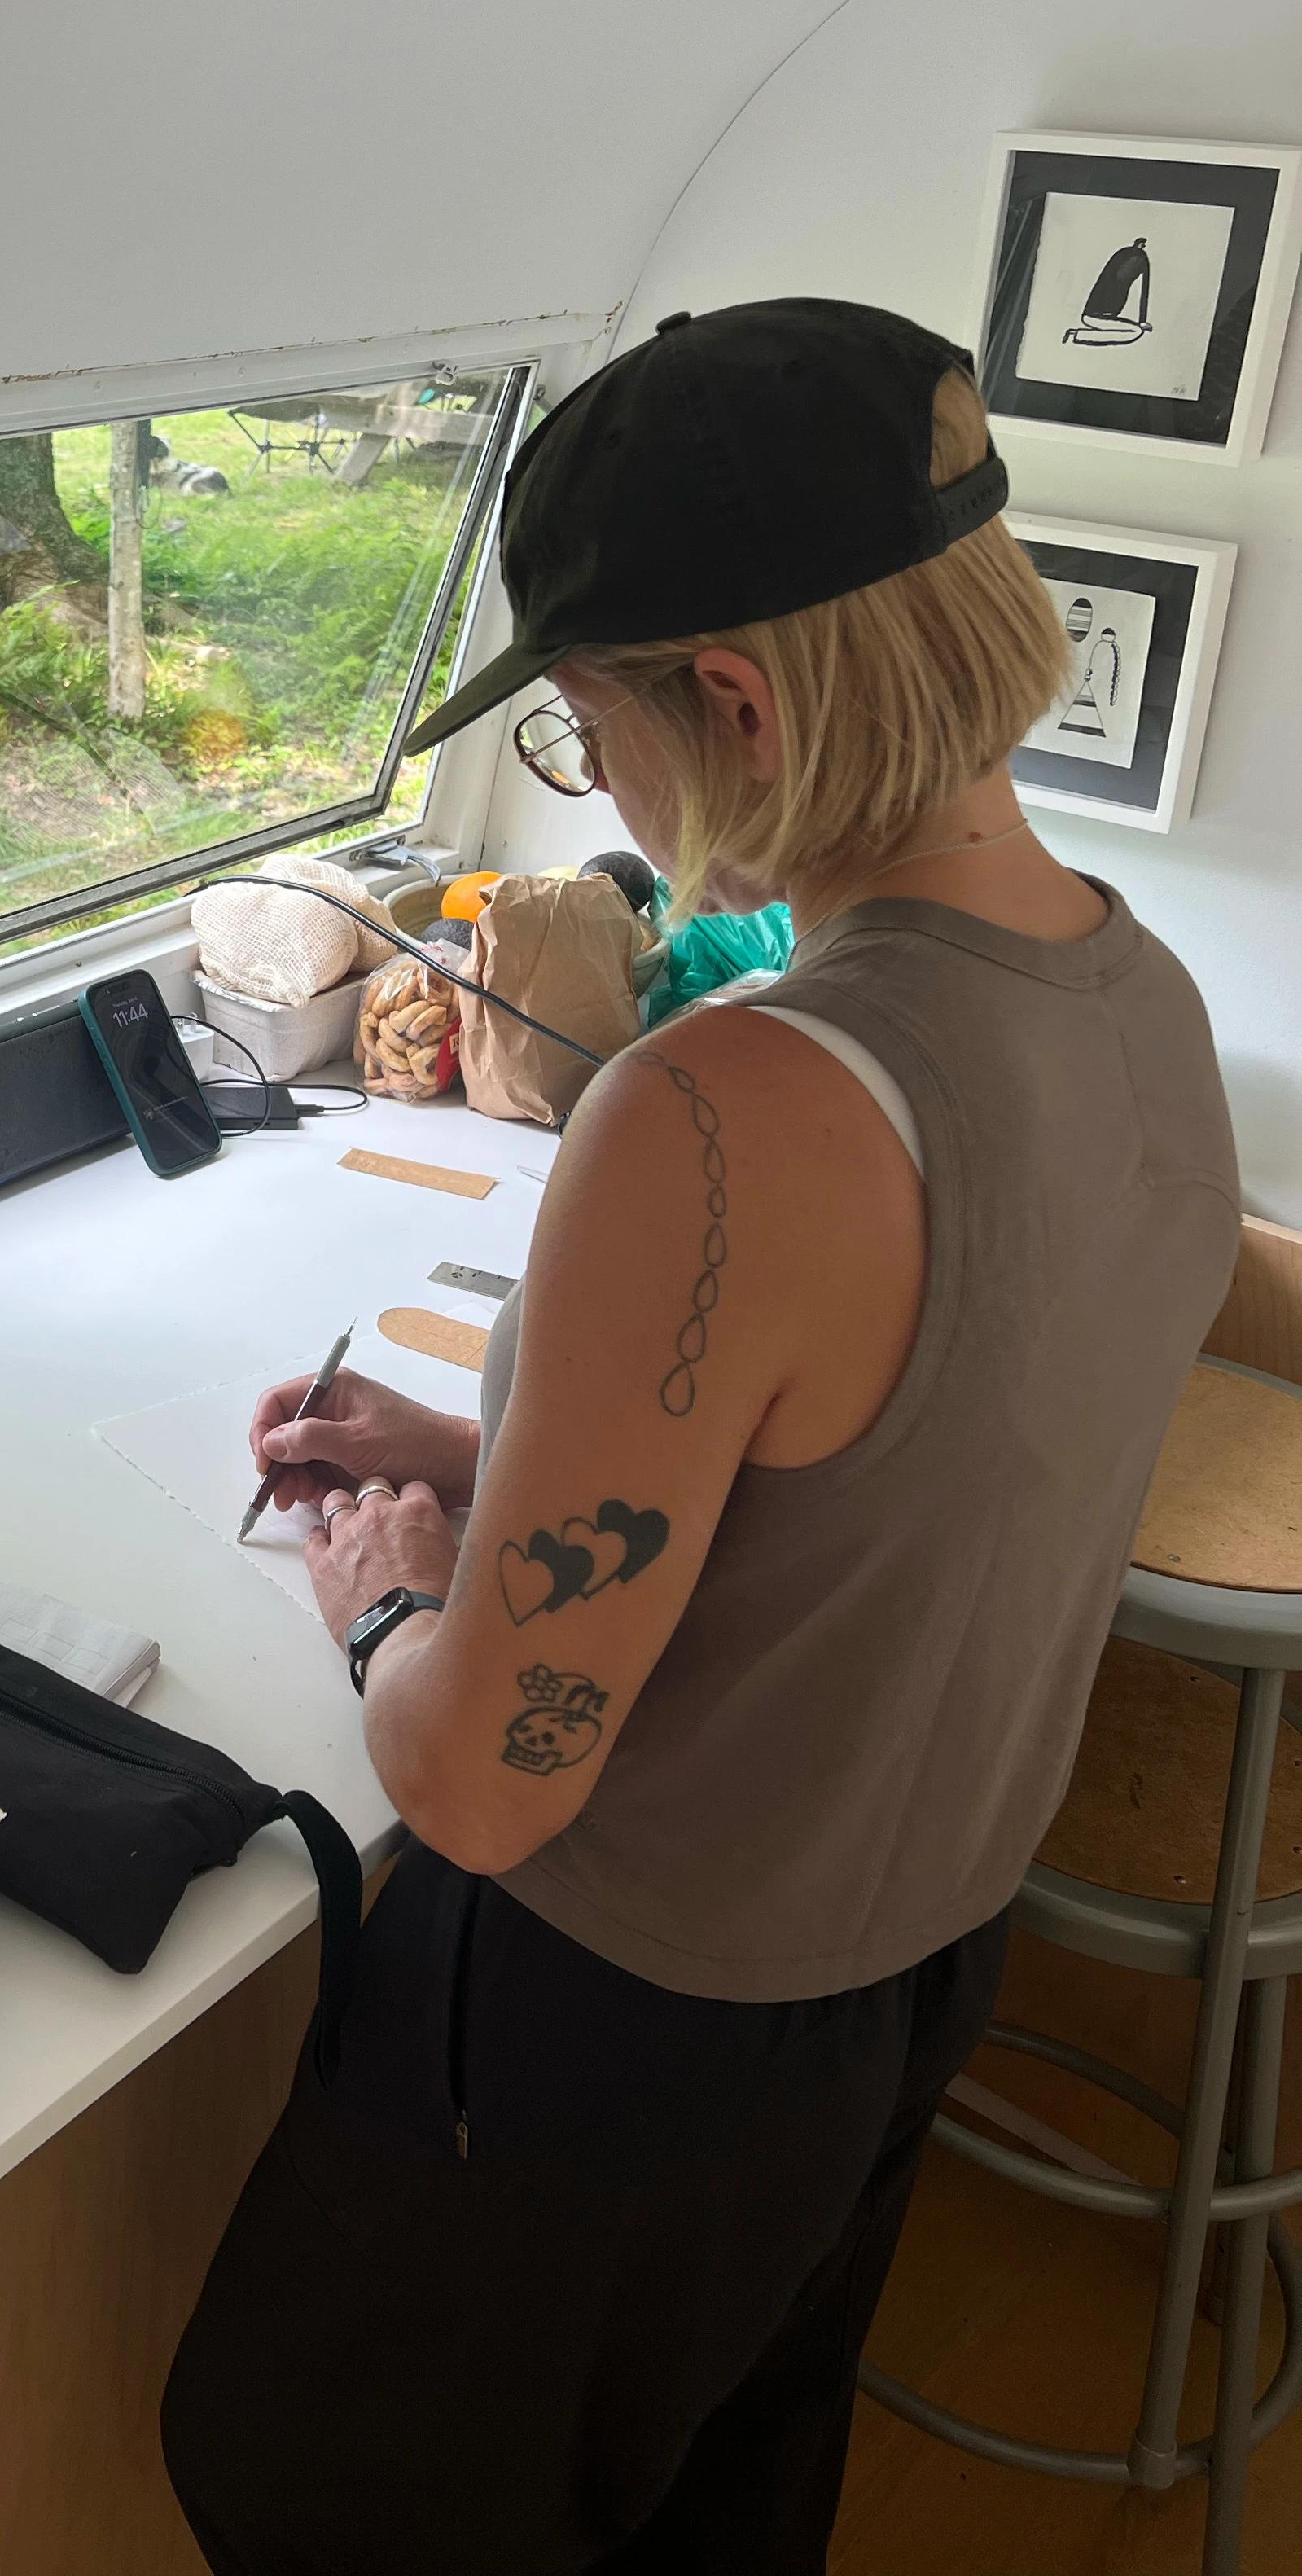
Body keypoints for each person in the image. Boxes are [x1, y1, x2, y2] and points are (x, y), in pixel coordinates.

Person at [159, 298, 1239, 2575]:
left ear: (728, 705)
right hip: (907, 1971)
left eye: (585, 722)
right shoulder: (1143, 995)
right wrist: (486, 1445)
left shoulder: (721, 1111)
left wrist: (398, 1595)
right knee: (713, 2498)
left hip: (617, 2035)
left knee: (324, 2487)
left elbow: (479, 1777)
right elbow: (889, 1468)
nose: (597, 778)